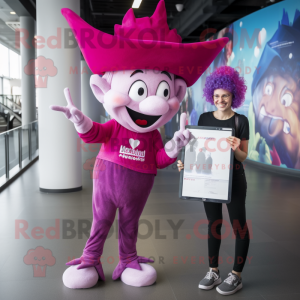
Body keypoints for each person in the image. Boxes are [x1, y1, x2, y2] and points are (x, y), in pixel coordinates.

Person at [177, 66, 250, 296]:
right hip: (211, 178)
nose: (221, 100)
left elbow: (243, 156)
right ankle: (214, 271)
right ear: (211, 95)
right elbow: (197, 148)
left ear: (233, 96)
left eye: (225, 96)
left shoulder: (241, 121)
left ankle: (236, 275)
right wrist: (186, 164)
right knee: (214, 224)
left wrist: (236, 147)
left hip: (235, 178)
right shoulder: (204, 118)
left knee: (239, 226)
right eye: (217, 96)